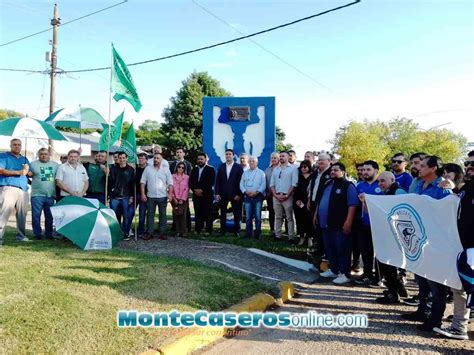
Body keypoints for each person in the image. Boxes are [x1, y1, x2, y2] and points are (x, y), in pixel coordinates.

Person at [402, 155, 452, 332]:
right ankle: (422, 311)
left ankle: (435, 319)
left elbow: (447, 217)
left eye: (423, 166)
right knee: (421, 279)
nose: (419, 168)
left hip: (436, 242)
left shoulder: (443, 188)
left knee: (436, 283)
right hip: (420, 239)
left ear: (433, 168)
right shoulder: (419, 185)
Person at [433, 152, 474, 340]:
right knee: (460, 287)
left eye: (473, 164)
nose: (469, 167)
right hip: (463, 246)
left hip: (472, 247)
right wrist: (454, 190)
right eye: (467, 163)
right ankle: (459, 328)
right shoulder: (469, 187)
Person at [316, 162, 359, 285]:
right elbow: (321, 201)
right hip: (326, 224)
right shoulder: (328, 184)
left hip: (340, 224)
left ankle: (344, 273)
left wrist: (348, 222)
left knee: (342, 249)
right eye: (331, 170)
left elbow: (352, 205)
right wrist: (316, 215)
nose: (332, 172)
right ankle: (334, 269)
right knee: (330, 249)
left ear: (343, 172)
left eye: (336, 170)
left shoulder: (348, 186)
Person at [373, 171, 409, 304]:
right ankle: (397, 290)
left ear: (392, 180)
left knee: (390, 265)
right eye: (379, 181)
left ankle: (394, 294)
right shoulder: (388, 192)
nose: (380, 184)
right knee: (387, 264)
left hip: (395, 236)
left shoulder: (399, 192)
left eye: (383, 180)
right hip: (388, 235)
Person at [355, 160, 384, 286]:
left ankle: (379, 276)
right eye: (363, 170)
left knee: (379, 252)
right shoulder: (360, 185)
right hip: (363, 224)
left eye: (368, 170)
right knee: (365, 251)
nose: (365, 172)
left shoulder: (382, 185)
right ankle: (367, 273)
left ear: (376, 171)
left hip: (379, 225)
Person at [0, 138, 32, 244]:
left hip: (23, 189)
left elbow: (30, 174)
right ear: (10, 145)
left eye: (19, 144)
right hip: (9, 187)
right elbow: (1, 170)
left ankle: (21, 236)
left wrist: (27, 170)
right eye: (14, 144)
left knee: (22, 214)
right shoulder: (4, 156)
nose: (17, 146)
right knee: (4, 212)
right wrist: (19, 172)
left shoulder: (24, 159)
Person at [141, 152, 173, 240]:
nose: (156, 160)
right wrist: (143, 194)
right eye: (154, 158)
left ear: (161, 160)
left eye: (158, 158)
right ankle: (150, 232)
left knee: (163, 215)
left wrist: (170, 195)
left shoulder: (166, 170)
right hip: (150, 196)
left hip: (162, 196)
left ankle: (162, 233)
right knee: (150, 215)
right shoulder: (148, 169)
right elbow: (143, 182)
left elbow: (170, 183)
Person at [30, 148, 59, 240]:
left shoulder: (55, 165)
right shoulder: (33, 164)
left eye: (45, 154)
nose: (43, 155)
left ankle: (49, 234)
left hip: (50, 195)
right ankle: (37, 233)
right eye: (41, 154)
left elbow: (58, 179)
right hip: (37, 194)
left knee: (49, 216)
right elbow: (27, 175)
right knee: (36, 215)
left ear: (49, 154)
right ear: (38, 155)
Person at [307, 152, 332, 257]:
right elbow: (311, 186)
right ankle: (319, 249)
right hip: (313, 202)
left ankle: (325, 251)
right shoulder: (316, 172)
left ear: (329, 161)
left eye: (323, 159)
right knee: (315, 226)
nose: (320, 161)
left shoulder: (331, 172)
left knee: (322, 228)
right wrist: (309, 199)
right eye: (319, 160)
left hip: (323, 205)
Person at [270, 151, 298, 242]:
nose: (281, 157)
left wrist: (287, 195)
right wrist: (275, 195)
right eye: (280, 156)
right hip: (276, 196)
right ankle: (278, 235)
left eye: (283, 156)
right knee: (278, 217)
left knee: (289, 217)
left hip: (288, 197)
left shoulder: (293, 169)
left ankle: (291, 237)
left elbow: (294, 184)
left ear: (287, 157)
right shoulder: (275, 169)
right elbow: (272, 184)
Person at [215, 149, 244, 237]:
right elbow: (218, 181)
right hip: (223, 194)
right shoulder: (221, 166)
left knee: (237, 214)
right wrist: (217, 193)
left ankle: (237, 231)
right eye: (226, 154)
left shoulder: (238, 167)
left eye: (229, 154)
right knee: (223, 213)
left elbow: (241, 182)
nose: (228, 156)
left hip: (235, 195)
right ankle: (222, 231)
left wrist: (239, 194)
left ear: (233, 156)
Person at [109, 151, 135, 240]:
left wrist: (131, 196)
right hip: (114, 197)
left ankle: (125, 233)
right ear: (118, 159)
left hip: (126, 197)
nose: (122, 159)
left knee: (126, 216)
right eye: (120, 158)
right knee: (114, 216)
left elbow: (132, 184)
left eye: (124, 158)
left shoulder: (131, 169)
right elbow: (110, 182)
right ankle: (116, 233)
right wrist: (110, 194)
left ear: (127, 158)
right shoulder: (113, 169)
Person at [189, 153, 215, 235]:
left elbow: (211, 182)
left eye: (201, 159)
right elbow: (191, 182)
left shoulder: (211, 169)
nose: (200, 161)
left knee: (208, 213)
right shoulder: (194, 170)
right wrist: (195, 190)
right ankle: (198, 229)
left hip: (207, 195)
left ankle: (208, 230)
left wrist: (202, 190)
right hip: (196, 195)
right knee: (198, 213)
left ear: (205, 160)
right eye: (198, 159)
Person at [240, 156, 266, 239]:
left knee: (258, 217)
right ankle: (248, 233)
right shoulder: (245, 173)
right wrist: (245, 191)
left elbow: (263, 184)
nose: (251, 163)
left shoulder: (261, 173)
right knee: (248, 217)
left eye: (253, 161)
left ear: (257, 162)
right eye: (250, 161)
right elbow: (241, 184)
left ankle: (258, 234)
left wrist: (256, 192)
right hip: (247, 197)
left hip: (257, 197)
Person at [293, 160, 313, 246]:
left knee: (309, 220)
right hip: (298, 201)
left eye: (305, 166)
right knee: (299, 220)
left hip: (308, 201)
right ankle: (301, 238)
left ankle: (309, 238)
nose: (303, 168)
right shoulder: (298, 176)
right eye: (301, 167)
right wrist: (297, 200)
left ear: (309, 167)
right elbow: (295, 188)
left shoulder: (313, 176)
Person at [171, 162, 189, 237]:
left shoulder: (187, 177)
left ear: (184, 169)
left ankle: (183, 231)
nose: (180, 168)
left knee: (183, 215)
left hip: (183, 199)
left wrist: (182, 199)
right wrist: (174, 198)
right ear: (176, 167)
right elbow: (170, 188)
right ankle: (177, 231)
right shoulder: (172, 176)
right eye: (179, 167)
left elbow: (187, 188)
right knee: (176, 215)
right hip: (174, 198)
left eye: (182, 167)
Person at [264, 152, 280, 238]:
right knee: (271, 212)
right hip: (269, 195)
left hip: (278, 195)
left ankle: (279, 231)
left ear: (278, 159)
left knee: (279, 214)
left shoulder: (281, 169)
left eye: (275, 158)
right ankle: (272, 230)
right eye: (272, 158)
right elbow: (265, 182)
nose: (273, 159)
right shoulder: (267, 170)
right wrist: (267, 192)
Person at [134, 153, 148, 237]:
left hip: (145, 195)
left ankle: (140, 231)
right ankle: (128, 229)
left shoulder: (149, 170)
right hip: (135, 193)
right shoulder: (135, 169)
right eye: (139, 158)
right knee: (130, 213)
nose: (140, 160)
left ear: (146, 160)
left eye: (142, 158)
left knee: (142, 213)